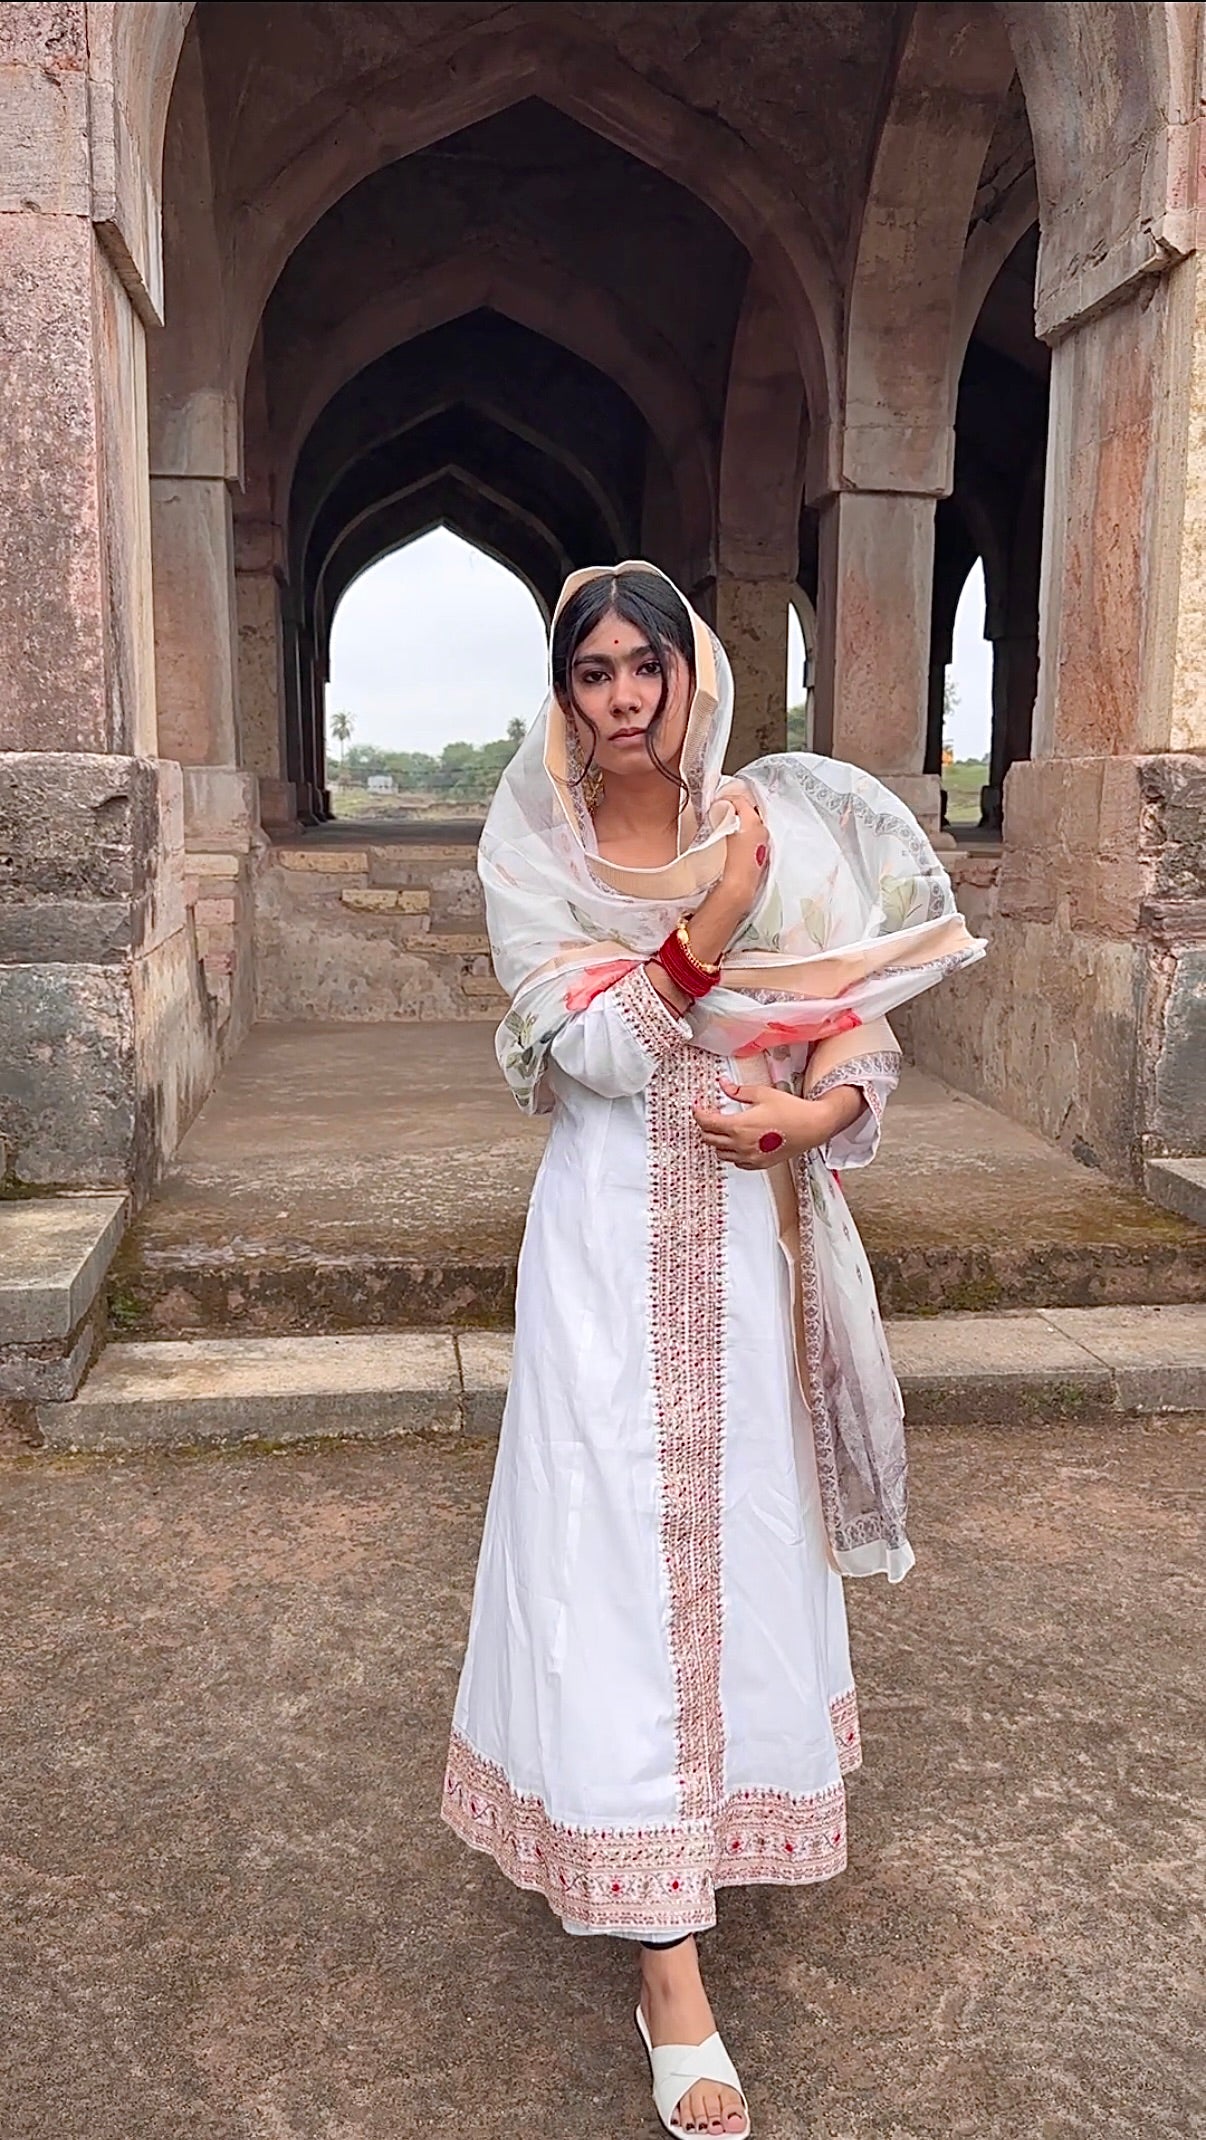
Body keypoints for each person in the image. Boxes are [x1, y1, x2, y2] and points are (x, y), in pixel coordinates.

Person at [441, 563, 984, 2137]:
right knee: (609, 1546)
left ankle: (708, 1831)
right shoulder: (534, 851)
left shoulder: (766, 813)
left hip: (748, 1237)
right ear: (564, 695)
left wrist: (813, 1112)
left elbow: (848, 1018)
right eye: (591, 674)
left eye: (644, 669)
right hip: (607, 1243)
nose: (620, 700)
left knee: (739, 1538)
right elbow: (602, 1053)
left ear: (694, 674)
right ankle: (662, 1964)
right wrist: (714, 921)